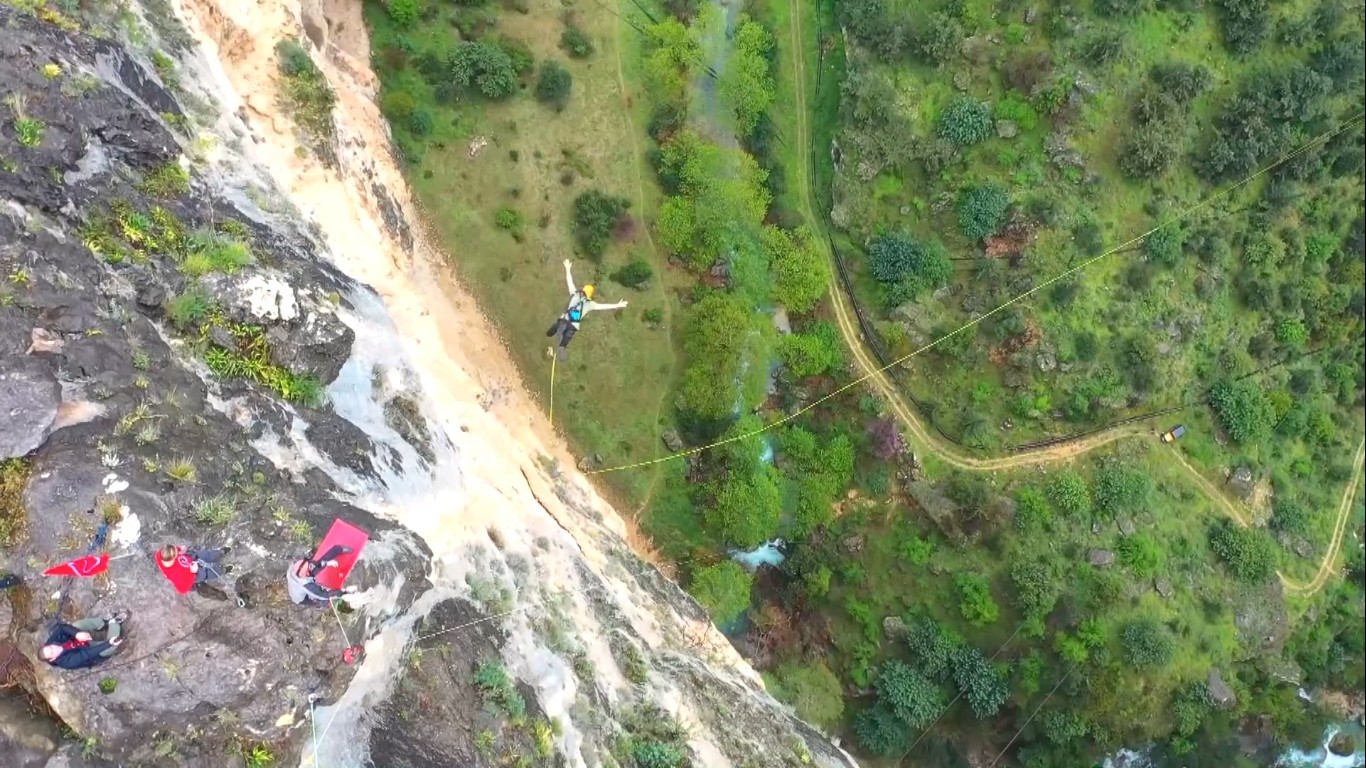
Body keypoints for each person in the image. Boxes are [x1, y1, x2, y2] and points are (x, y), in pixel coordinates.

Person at [545, 259, 628, 361]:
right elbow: (603, 307)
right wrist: (618, 305)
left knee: (555, 330)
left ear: (582, 290)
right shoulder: (590, 304)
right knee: (562, 343)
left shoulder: (574, 294)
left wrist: (567, 268)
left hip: (565, 321)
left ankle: (551, 337)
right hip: (573, 327)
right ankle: (560, 348)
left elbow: (569, 281)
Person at [39, 612, 128, 670]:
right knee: (107, 649)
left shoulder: (51, 642)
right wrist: (108, 643)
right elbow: (86, 654)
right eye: (52, 652)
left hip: (78, 640)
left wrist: (77, 633)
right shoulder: (67, 662)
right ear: (53, 658)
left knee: (76, 625)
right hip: (90, 654)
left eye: (51, 647)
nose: (53, 648)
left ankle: (103, 622)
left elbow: (62, 628)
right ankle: (114, 623)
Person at [286, 545, 358, 605]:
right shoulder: (307, 586)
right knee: (322, 601)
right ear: (305, 574)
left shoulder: (296, 566)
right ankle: (322, 604)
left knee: (317, 564)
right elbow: (325, 595)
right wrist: (343, 591)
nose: (311, 566)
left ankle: (339, 549)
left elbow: (314, 565)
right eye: (309, 568)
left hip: (299, 582)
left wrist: (327, 563)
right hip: (301, 598)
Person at [156, 544, 233, 595]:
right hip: (193, 572)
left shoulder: (160, 554)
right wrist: (192, 572)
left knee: (206, 554)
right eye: (176, 552)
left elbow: (171, 550)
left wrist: (179, 549)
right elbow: (182, 590)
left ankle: (220, 553)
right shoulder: (174, 574)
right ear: (173, 558)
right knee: (208, 573)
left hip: (190, 557)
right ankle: (223, 570)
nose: (177, 550)